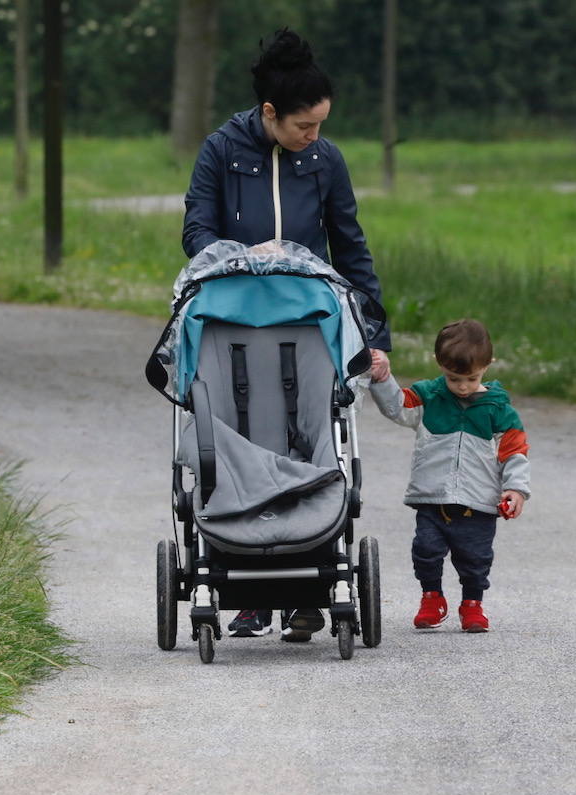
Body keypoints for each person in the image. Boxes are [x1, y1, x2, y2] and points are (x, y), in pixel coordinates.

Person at [182, 27, 392, 642]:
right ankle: (244, 583)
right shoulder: (221, 150)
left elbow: (350, 247)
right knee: (243, 428)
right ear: (270, 113)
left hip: (306, 320)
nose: (314, 137)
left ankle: (310, 586)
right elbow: (197, 229)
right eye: (305, 126)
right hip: (233, 320)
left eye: (321, 125)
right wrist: (243, 258)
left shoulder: (325, 161)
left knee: (308, 432)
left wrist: (373, 329)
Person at [368, 319, 529, 632]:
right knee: (425, 551)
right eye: (454, 378)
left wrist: (516, 490)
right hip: (433, 497)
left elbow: (515, 452)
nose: (463, 386)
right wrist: (382, 379)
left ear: (488, 366)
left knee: (475, 559)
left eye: (471, 378)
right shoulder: (429, 396)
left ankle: (473, 604)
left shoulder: (498, 409)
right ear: (439, 364)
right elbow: (397, 407)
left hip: (479, 501)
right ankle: (432, 598)